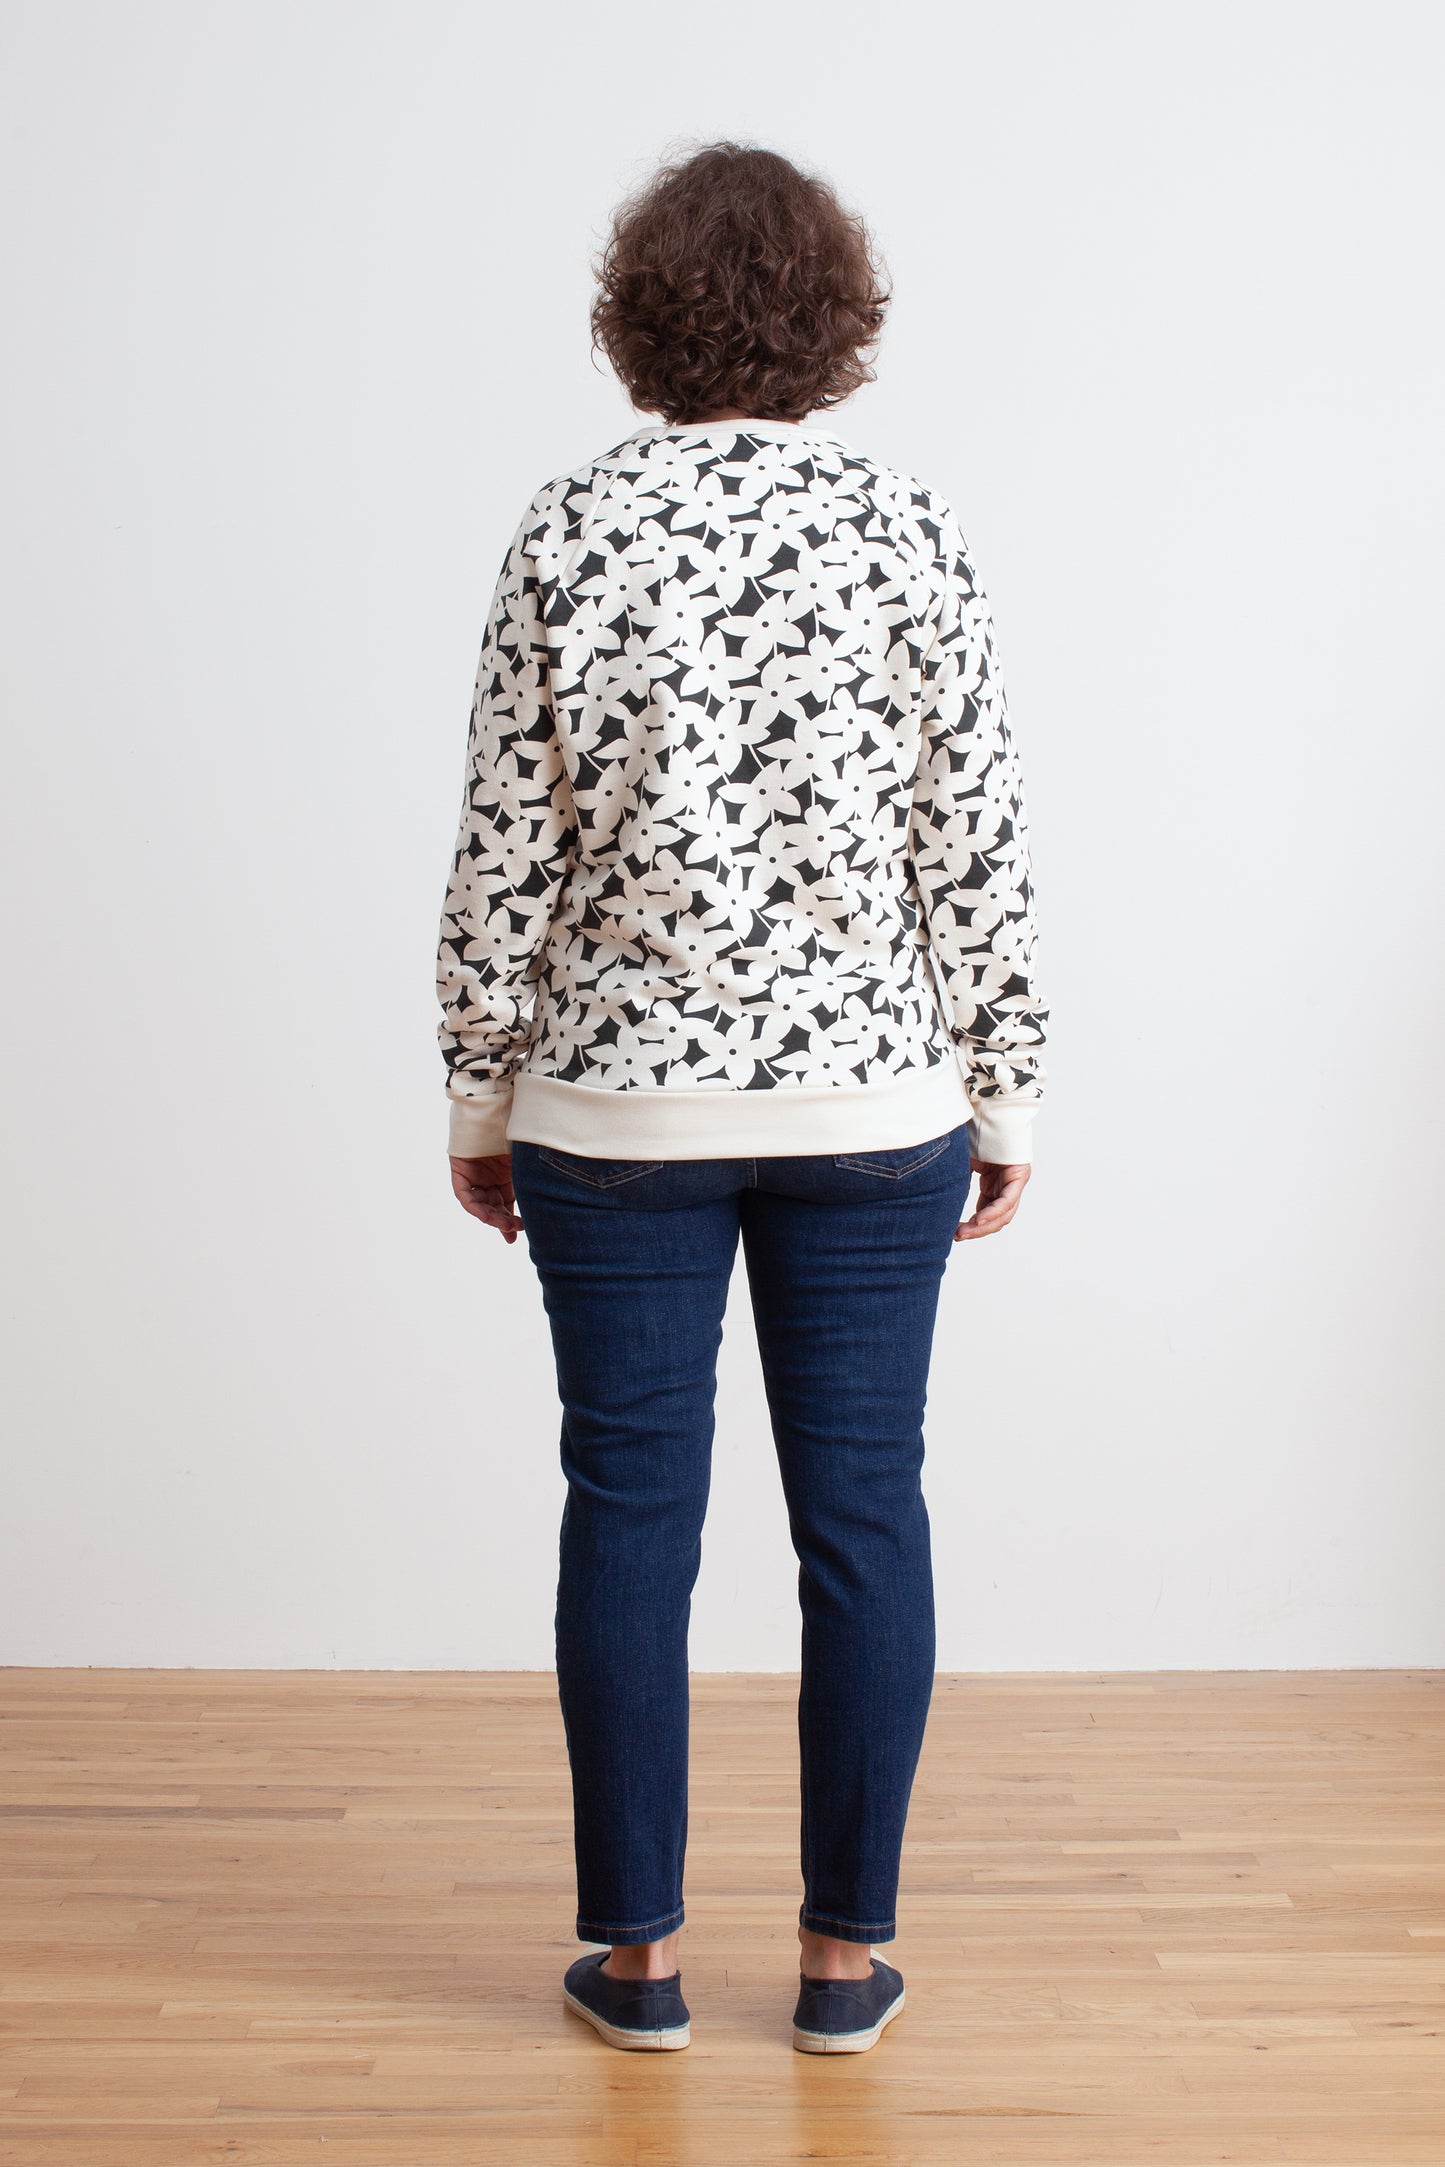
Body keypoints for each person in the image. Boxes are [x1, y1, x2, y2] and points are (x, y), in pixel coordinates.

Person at [435, 141, 1047, 2055]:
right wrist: (1007, 1093)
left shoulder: (570, 526)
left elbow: (504, 850)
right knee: (863, 1514)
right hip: (872, 1109)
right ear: (834, 316)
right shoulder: (902, 524)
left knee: (629, 1514)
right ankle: (843, 1965)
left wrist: (477, 1096)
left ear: (639, 316)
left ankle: (639, 1965)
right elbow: (972, 837)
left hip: (615, 1115)